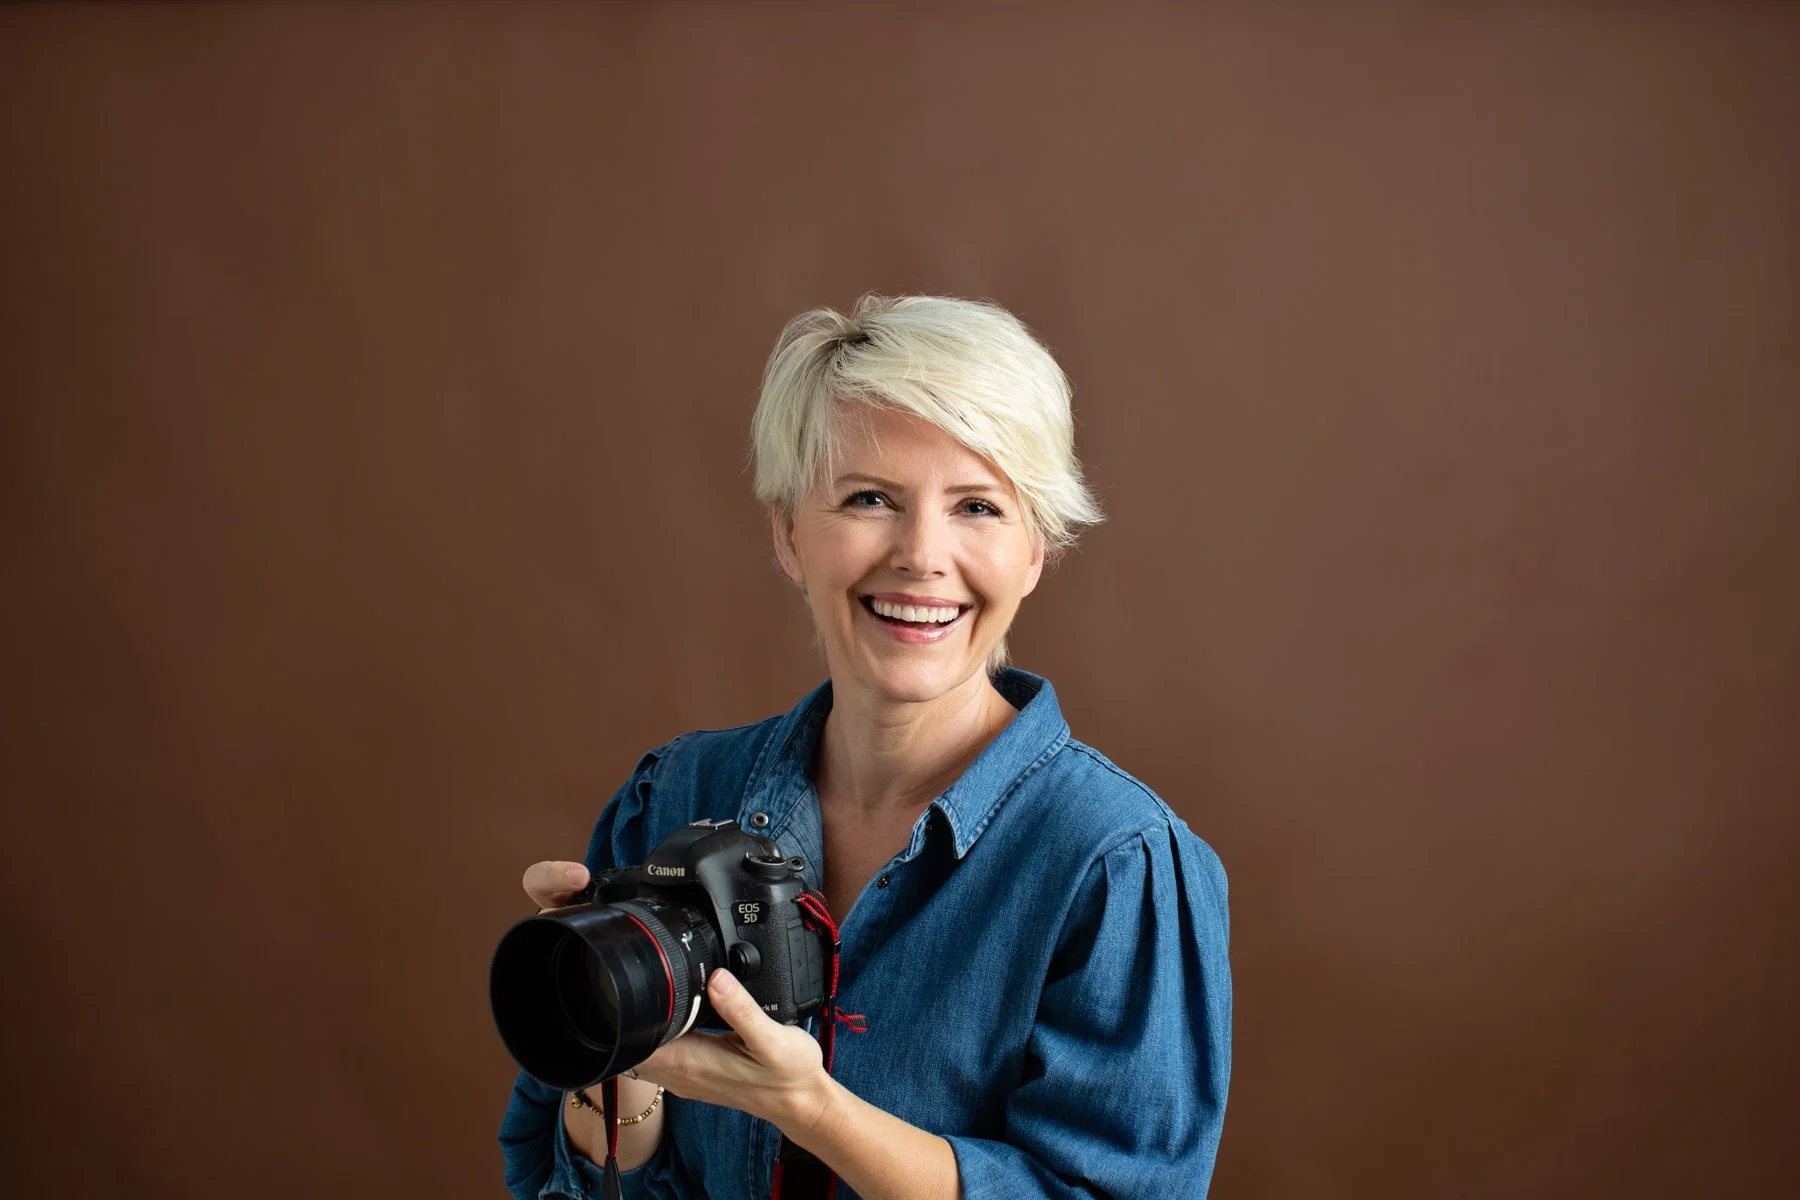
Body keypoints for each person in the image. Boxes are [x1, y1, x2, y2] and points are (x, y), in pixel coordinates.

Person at [499, 294, 1231, 1199]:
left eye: (978, 506)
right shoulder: (678, 796)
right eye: (870, 499)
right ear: (788, 535)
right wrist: (614, 1048)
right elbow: (568, 1177)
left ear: (1035, 552)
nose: (922, 555)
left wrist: (813, 1111)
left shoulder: (1115, 864)